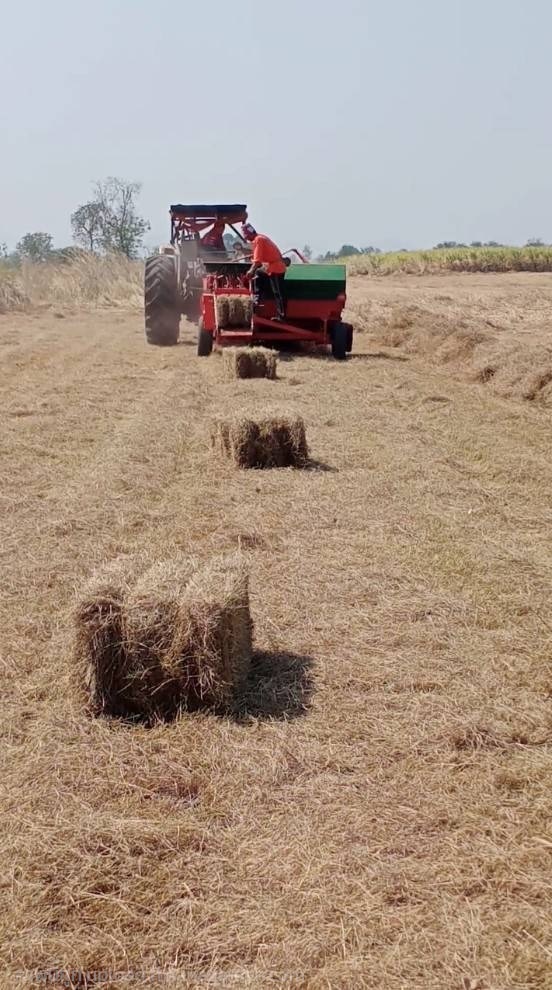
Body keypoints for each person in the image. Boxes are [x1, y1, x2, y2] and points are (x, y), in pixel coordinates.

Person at [241, 222, 287, 321]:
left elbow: (257, 262)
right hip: (270, 267)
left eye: (246, 235)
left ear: (250, 233)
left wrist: (250, 271)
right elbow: (257, 257)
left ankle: (281, 316)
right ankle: (257, 298)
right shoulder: (261, 238)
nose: (246, 238)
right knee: (259, 273)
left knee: (278, 293)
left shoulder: (259, 240)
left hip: (276, 268)